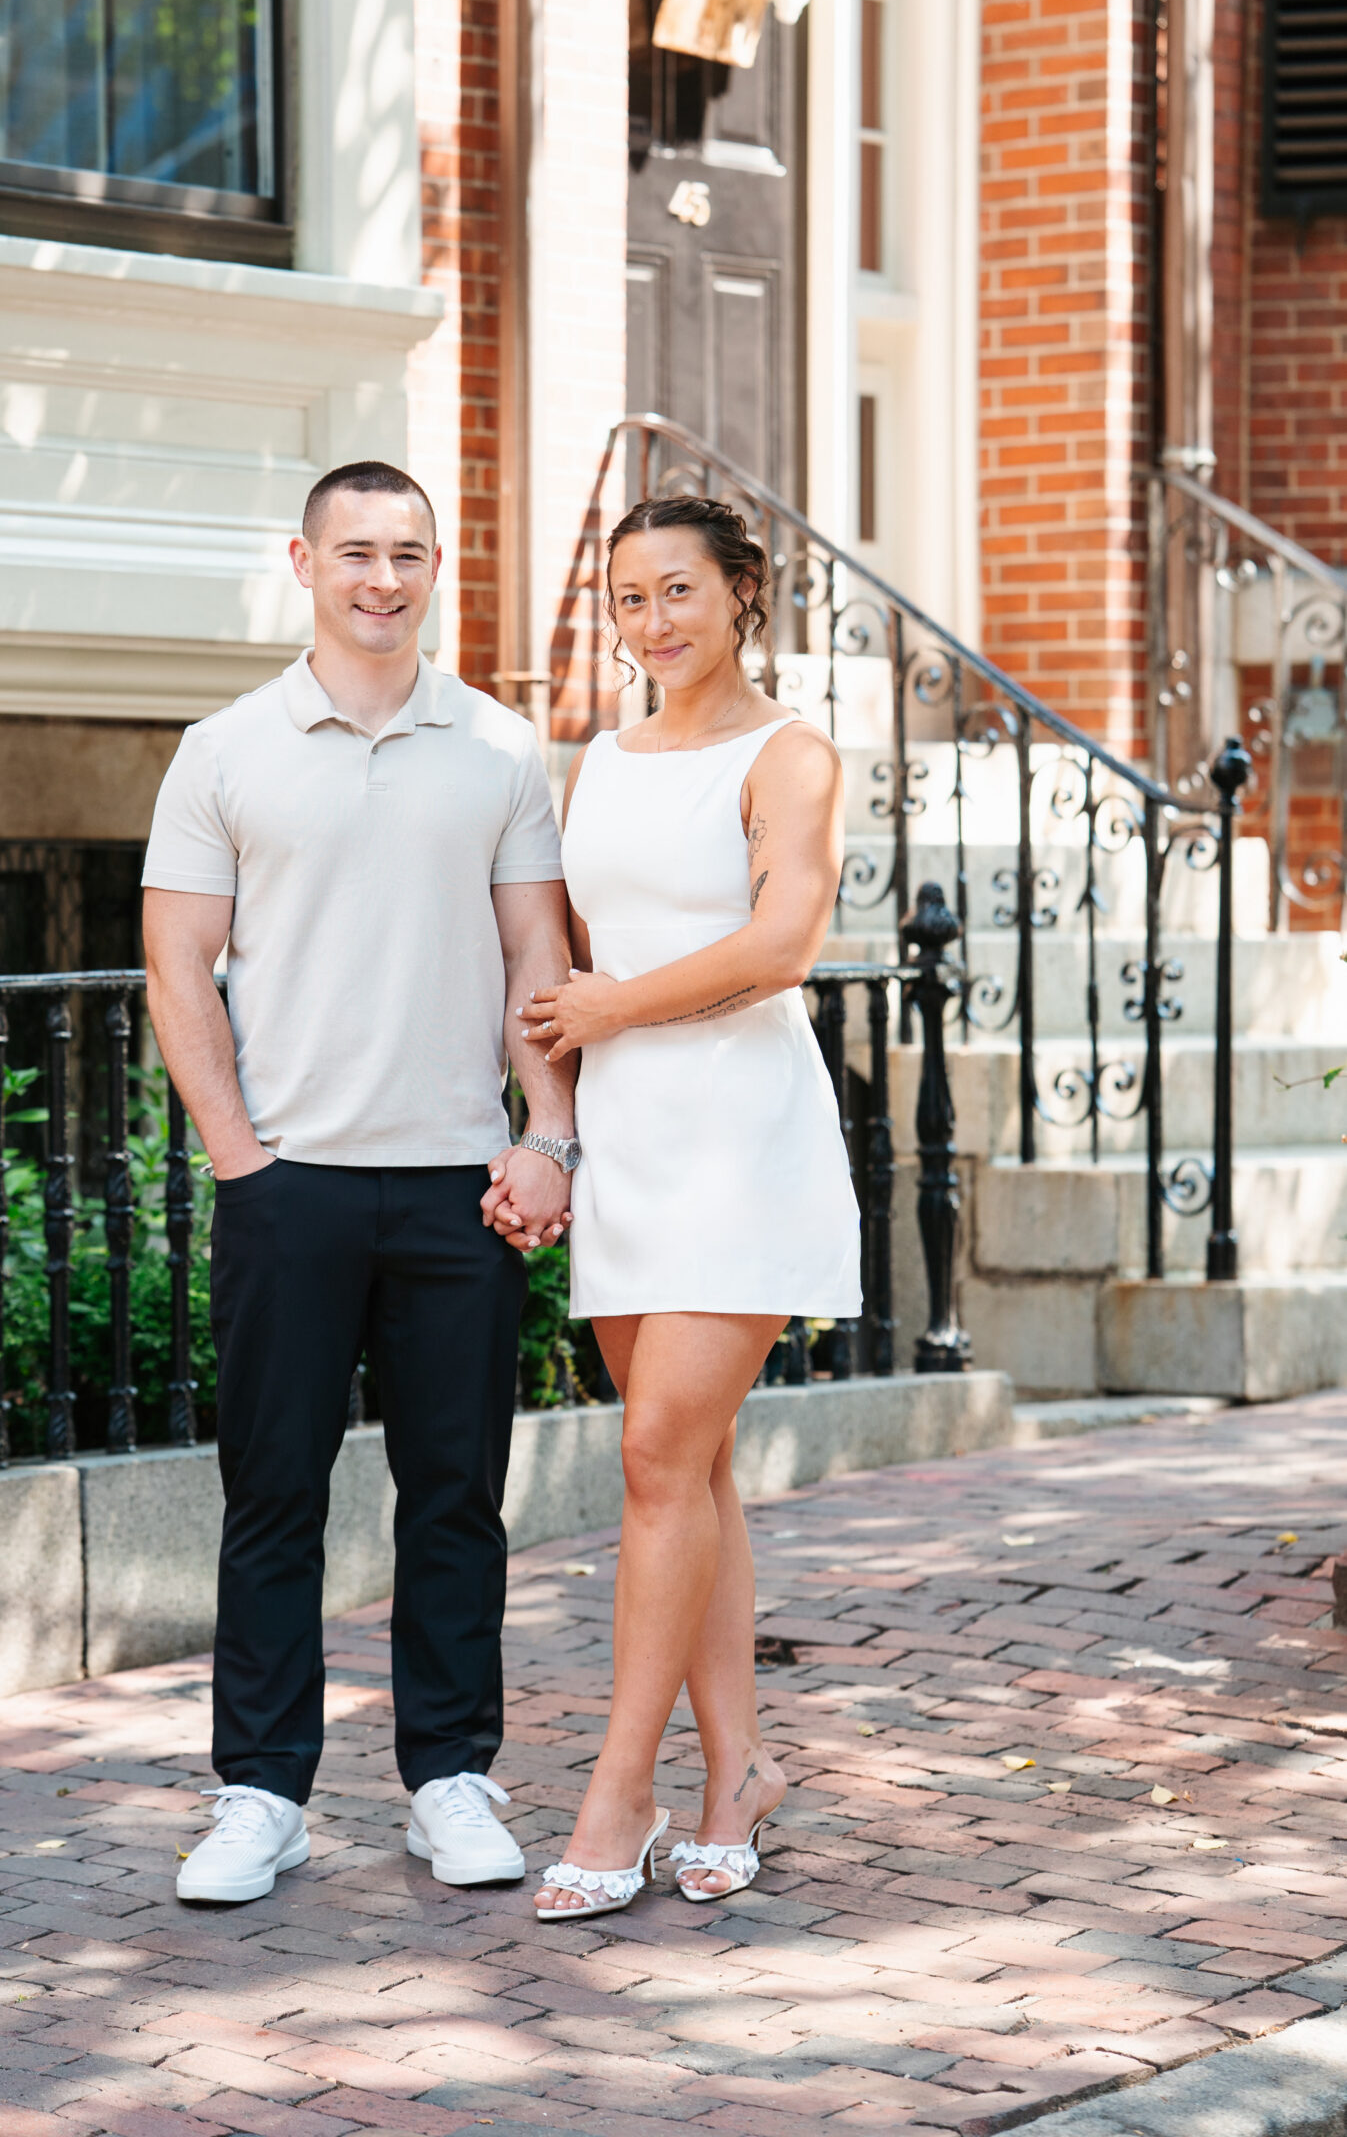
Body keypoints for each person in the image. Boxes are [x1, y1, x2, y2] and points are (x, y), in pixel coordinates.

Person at [142, 460, 579, 1905]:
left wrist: (545, 1133)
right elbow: (177, 964)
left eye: (407, 555)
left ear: (436, 565)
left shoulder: (503, 750)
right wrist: (237, 1158)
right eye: (355, 554)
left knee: (453, 1500)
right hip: (292, 1187)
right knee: (274, 1495)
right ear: (304, 562)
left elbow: (538, 964)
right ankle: (259, 1795)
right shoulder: (224, 750)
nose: (381, 580)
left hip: (461, 1182)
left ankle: (450, 1775)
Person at [522, 493, 860, 1916]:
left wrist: (613, 1007)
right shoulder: (599, 760)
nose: (652, 621)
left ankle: (620, 1790)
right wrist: (550, 1129)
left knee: (659, 1458)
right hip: (635, 1143)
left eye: (678, 591)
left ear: (740, 595)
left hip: (744, 1136)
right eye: (629, 599)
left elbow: (784, 943)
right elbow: (558, 957)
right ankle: (740, 1777)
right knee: (695, 1473)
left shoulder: (791, 758)